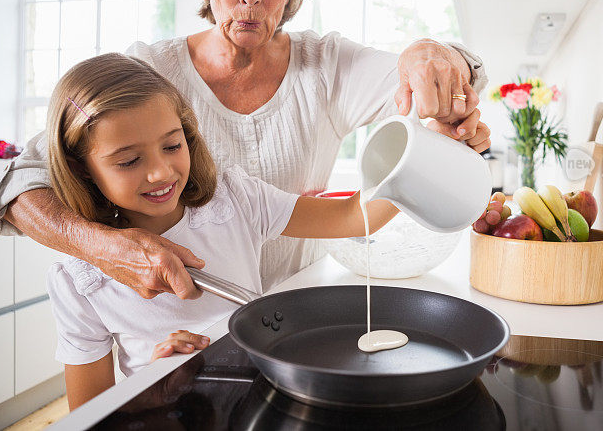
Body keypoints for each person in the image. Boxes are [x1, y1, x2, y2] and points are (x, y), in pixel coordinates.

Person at [0, 0, 490, 300]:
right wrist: (104, 248)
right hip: (181, 327)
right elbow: (16, 181)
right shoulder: (151, 73)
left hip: (296, 306)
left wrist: (435, 57)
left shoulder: (327, 65)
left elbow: (433, 83)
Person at [46, 53, 399, 409]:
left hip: (260, 406)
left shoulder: (235, 201)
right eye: (129, 161)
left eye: (172, 145)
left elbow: (352, 216)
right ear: (82, 168)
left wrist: (419, 165)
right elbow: (88, 415)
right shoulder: (80, 279)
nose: (161, 172)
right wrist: (155, 385)